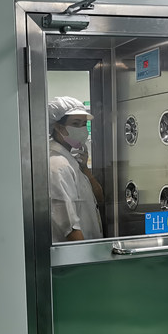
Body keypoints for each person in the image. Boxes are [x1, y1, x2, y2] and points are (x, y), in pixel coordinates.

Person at [47, 96, 104, 242]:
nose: (82, 129)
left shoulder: (70, 161)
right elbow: (69, 227)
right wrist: (85, 254)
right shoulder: (58, 165)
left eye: (84, 124)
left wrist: (85, 168)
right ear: (58, 127)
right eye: (75, 123)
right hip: (77, 251)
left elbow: (99, 198)